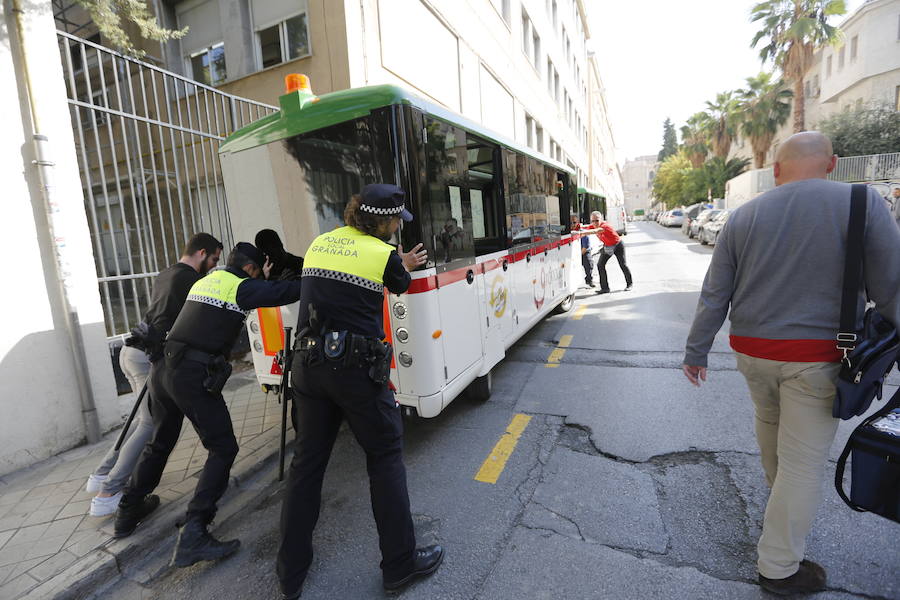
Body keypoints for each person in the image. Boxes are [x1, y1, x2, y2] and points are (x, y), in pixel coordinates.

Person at [682, 132, 900, 595]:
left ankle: (782, 514)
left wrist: (696, 350)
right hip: (815, 358)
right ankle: (779, 566)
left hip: (751, 353)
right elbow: (891, 289)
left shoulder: (743, 214)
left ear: (777, 170)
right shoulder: (862, 202)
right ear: (832, 164)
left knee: (771, 432)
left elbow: (715, 291)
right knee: (802, 464)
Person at [277, 184, 440, 600]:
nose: (395, 230)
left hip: (308, 367)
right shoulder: (383, 255)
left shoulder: (319, 243)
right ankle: (400, 565)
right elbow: (399, 283)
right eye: (394, 223)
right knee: (384, 459)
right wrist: (400, 260)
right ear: (385, 222)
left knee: (307, 466)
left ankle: (290, 573)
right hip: (354, 370)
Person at [113, 242, 302, 569]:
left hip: (162, 370)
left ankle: (128, 511)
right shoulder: (242, 287)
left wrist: (263, 281)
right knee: (223, 447)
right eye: (257, 272)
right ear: (251, 269)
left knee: (161, 440)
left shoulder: (206, 281)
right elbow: (286, 292)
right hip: (191, 375)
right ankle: (195, 531)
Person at [85, 233, 223, 517]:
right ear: (201, 253)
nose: (213, 266)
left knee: (142, 422)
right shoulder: (189, 280)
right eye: (213, 259)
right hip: (149, 357)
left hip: (132, 352)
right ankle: (108, 492)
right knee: (150, 425)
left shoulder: (167, 273)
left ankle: (101, 475)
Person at [589, 211, 633, 294]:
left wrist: (580, 233)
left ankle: (629, 284)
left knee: (623, 264)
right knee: (600, 265)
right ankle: (605, 288)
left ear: (601, 220)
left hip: (618, 245)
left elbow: (595, 231)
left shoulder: (604, 226)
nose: (595, 223)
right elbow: (585, 228)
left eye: (597, 220)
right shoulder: (593, 226)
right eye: (593, 221)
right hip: (608, 247)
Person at [571, 214, 594, 287]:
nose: (572, 224)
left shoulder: (583, 232)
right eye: (570, 223)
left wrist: (578, 256)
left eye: (574, 222)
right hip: (573, 253)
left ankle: (589, 280)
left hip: (584, 251)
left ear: (577, 222)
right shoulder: (568, 232)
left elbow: (585, 247)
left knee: (588, 265)